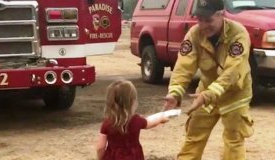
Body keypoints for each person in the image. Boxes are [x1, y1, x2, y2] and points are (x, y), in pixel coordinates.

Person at [164, 0, 254, 160]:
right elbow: (184, 65)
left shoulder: (238, 34)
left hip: (235, 95)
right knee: (193, 137)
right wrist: (175, 92)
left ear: (221, 14)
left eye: (208, 20)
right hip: (205, 94)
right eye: (199, 19)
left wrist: (208, 95)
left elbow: (233, 71)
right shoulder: (194, 34)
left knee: (234, 141)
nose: (203, 25)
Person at [96, 79, 171, 160]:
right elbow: (150, 122)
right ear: (132, 101)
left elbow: (100, 147)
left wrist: (101, 158)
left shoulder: (107, 123)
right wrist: (161, 119)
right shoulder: (136, 120)